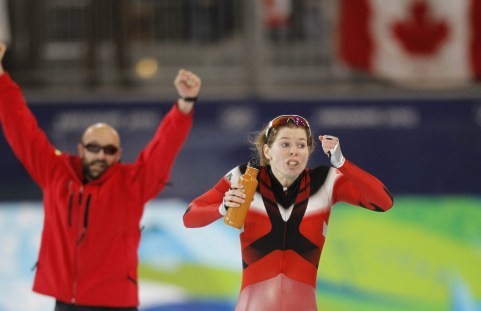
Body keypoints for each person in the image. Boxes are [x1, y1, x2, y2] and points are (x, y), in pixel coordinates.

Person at [0, 42, 201, 310]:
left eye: (109, 150)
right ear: (81, 149)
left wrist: (185, 104)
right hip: (66, 302)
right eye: (94, 148)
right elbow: (20, 126)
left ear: (117, 155)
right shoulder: (55, 172)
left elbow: (163, 148)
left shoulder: (132, 184)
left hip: (115, 303)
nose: (101, 155)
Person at [183, 114, 394, 310]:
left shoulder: (327, 181)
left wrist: (342, 163)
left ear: (309, 151)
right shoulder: (244, 177)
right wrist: (222, 208)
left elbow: (383, 202)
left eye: (301, 145)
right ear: (267, 151)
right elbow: (190, 217)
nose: (294, 151)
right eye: (285, 144)